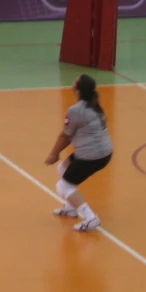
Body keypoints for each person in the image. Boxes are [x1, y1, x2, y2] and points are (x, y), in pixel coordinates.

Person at [44, 74, 113, 232]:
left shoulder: (76, 110)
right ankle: (70, 208)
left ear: (77, 90)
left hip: (91, 156)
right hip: (103, 152)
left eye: (74, 81)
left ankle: (90, 218)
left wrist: (53, 154)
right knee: (63, 168)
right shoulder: (95, 105)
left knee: (63, 187)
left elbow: (65, 135)